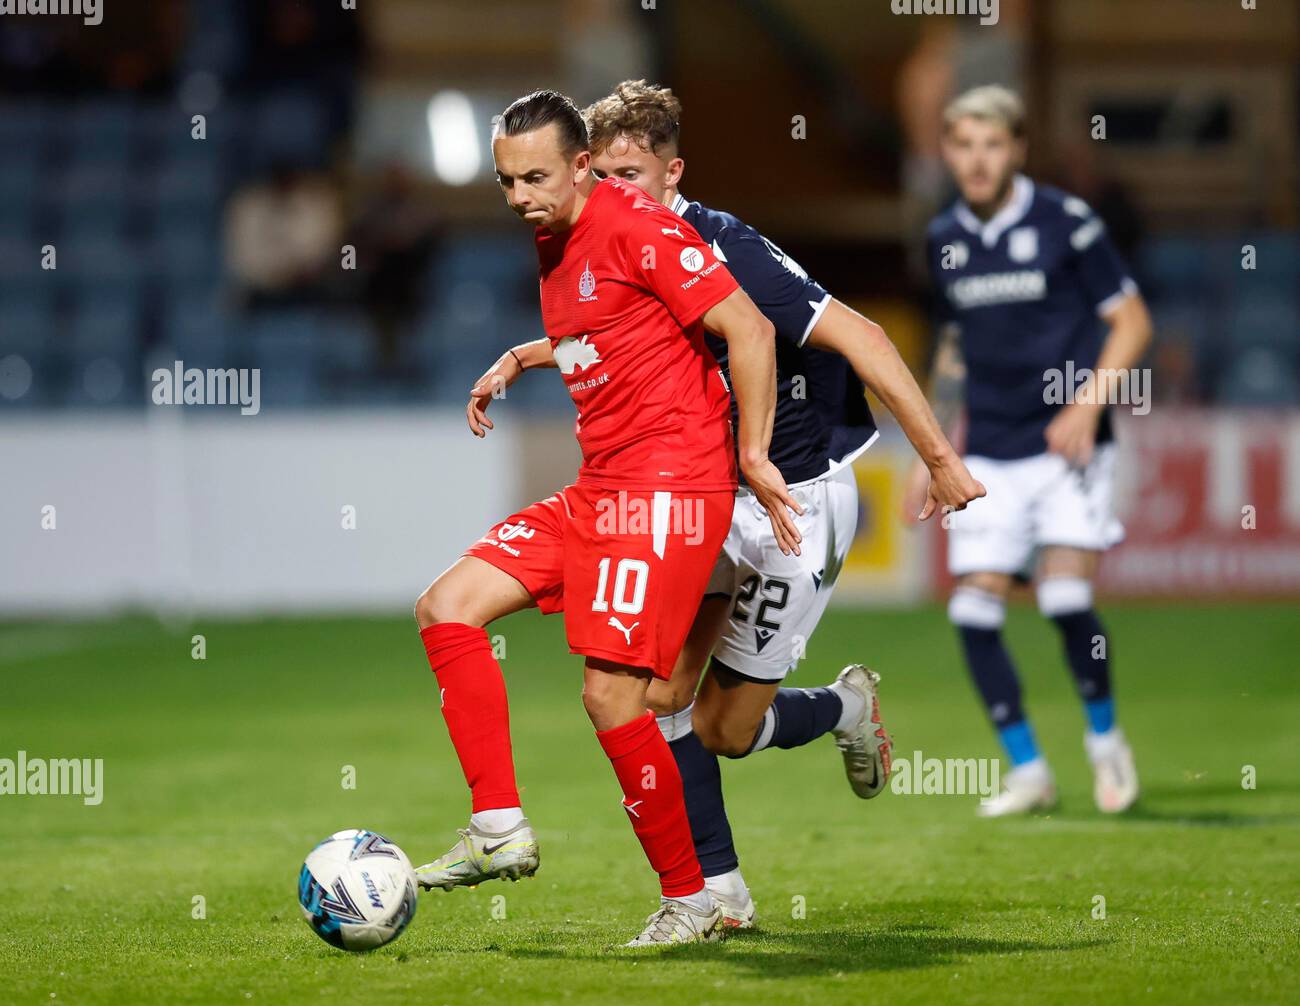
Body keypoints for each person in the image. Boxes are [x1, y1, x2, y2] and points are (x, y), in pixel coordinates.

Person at [499, 80, 984, 927]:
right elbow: (606, 333)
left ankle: (845, 706)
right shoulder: (613, 238)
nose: (615, 191)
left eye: (631, 174)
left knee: (726, 727)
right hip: (706, 494)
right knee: (660, 697)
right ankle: (719, 892)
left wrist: (939, 459)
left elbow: (864, 338)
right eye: (601, 176)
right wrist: (527, 354)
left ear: (672, 173)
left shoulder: (723, 248)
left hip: (797, 493)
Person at [412, 90, 801, 946]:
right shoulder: (557, 238)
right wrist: (524, 353)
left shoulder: (641, 225)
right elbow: (615, 330)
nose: (519, 198)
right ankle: (497, 826)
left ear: (582, 163)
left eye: (536, 177)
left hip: (668, 487)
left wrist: (755, 456)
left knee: (612, 697)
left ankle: (691, 899)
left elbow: (750, 330)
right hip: (604, 485)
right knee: (447, 606)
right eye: (506, 181)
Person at [908, 85, 1153, 816]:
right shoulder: (942, 236)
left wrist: (1085, 405)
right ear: (947, 152)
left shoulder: (1067, 223)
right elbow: (952, 347)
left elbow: (1133, 322)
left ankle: (1106, 744)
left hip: (1068, 447)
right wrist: (933, 449)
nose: (977, 160)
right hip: (989, 449)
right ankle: (1028, 771)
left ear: (1016, 149)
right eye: (963, 145)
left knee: (1066, 596)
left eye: (992, 145)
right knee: (972, 616)